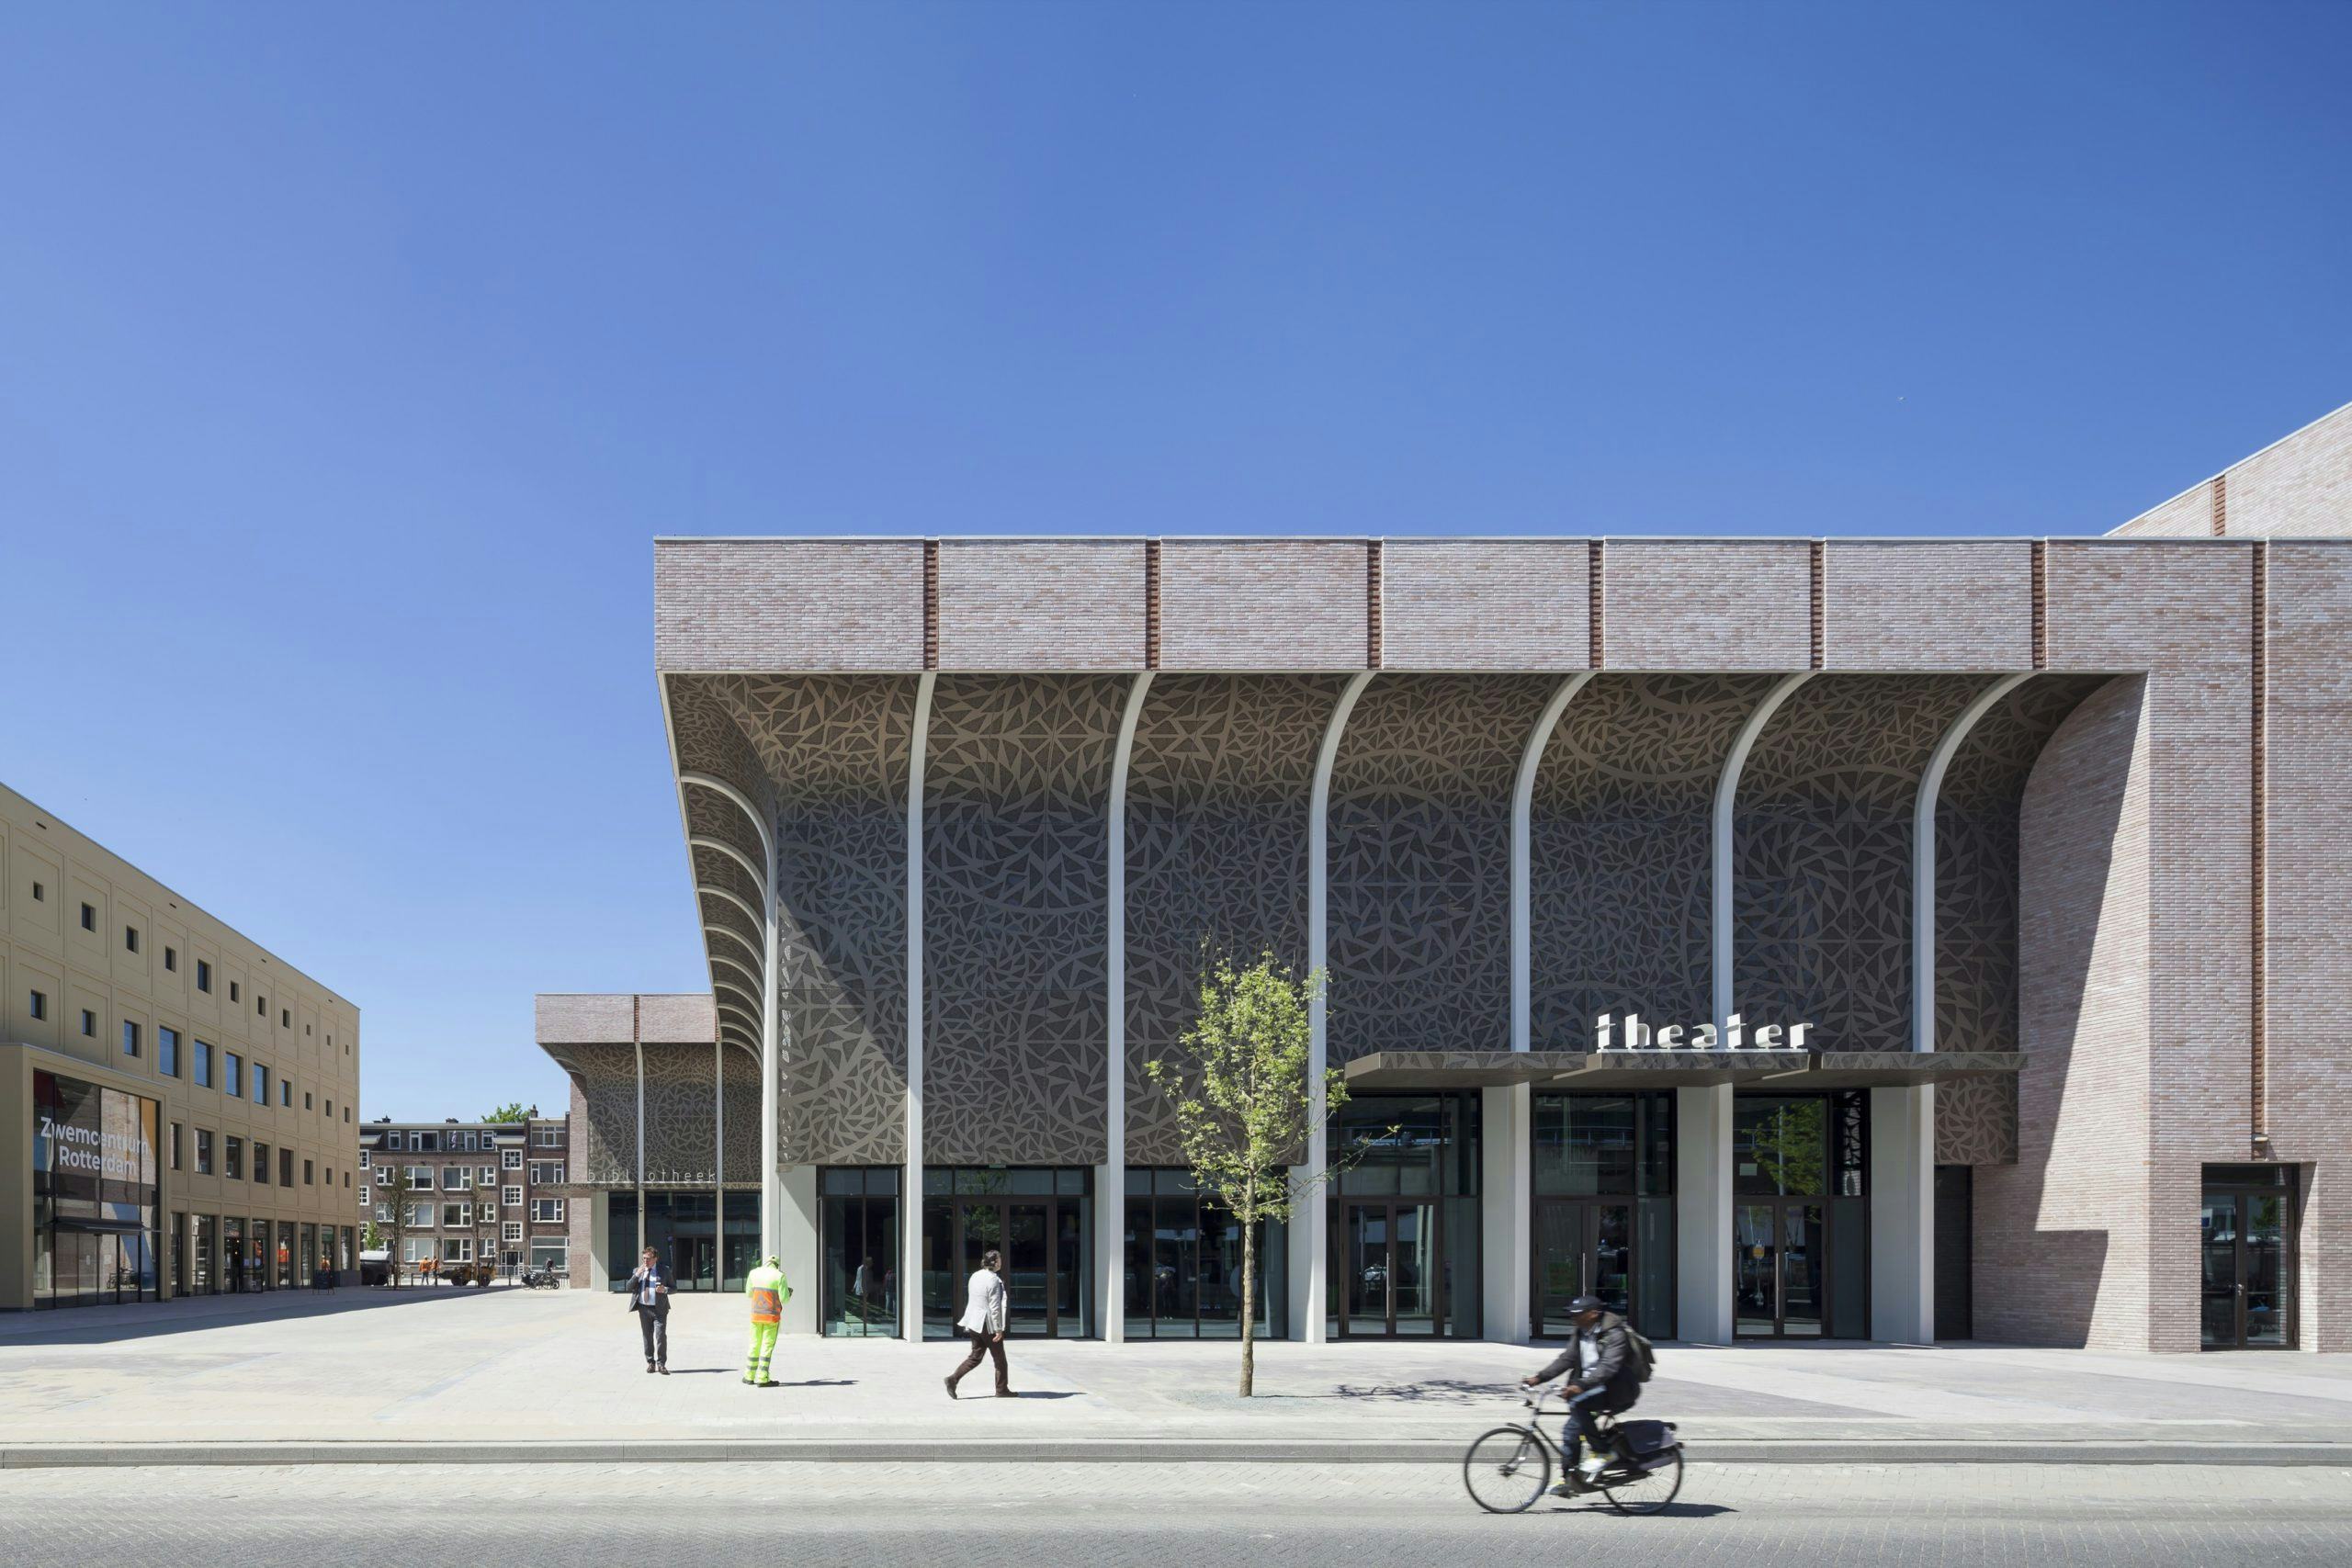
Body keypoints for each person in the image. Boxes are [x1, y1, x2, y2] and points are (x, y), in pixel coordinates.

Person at [1521, 1295, 1641, 1495]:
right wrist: (1539, 1378)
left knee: (1578, 1406)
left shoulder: (1615, 1334)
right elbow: (1568, 1359)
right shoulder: (1581, 1331)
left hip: (1615, 1390)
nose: (1572, 1318)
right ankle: (1568, 1481)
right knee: (1571, 1433)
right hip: (1590, 1389)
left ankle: (1602, 1453)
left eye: (1577, 1314)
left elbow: (1608, 1367)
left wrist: (1580, 1386)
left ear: (1593, 1314)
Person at [944, 1247, 1012, 1399]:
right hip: (987, 1324)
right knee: (1000, 1360)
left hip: (974, 1322)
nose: (1001, 1262)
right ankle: (1002, 1390)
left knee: (976, 1356)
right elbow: (994, 1307)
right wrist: (999, 1329)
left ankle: (952, 1379)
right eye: (1000, 1259)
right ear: (994, 1262)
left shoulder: (975, 1275)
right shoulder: (993, 1279)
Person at [743, 1252, 790, 1386]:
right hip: (771, 1317)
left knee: (754, 1344)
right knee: (766, 1346)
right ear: (777, 1264)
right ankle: (762, 1378)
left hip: (756, 1316)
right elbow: (785, 1299)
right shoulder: (780, 1276)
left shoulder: (754, 1273)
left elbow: (748, 1294)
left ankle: (749, 1376)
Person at [628, 1247, 674, 1374]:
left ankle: (661, 1364)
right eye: (644, 1259)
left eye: (648, 1259)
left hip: (660, 1309)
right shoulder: (638, 1270)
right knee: (647, 1337)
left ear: (655, 1259)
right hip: (643, 1309)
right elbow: (628, 1287)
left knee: (660, 1337)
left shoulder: (664, 1271)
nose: (645, 1261)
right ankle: (650, 1363)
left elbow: (674, 1288)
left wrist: (664, 1290)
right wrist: (637, 1275)